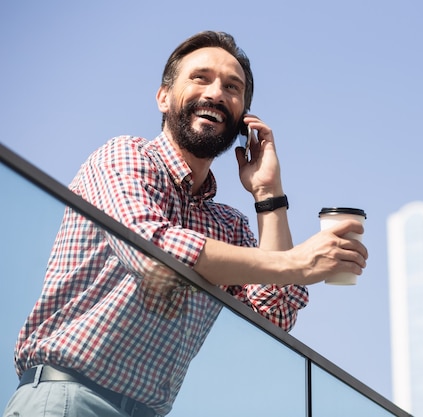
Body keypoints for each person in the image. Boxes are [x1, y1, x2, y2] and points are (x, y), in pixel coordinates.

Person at [3, 31, 368, 417]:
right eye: (200, 78)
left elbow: (273, 315)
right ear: (163, 97)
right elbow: (154, 252)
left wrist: (268, 194)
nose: (216, 93)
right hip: (68, 398)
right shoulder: (124, 156)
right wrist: (298, 262)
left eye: (232, 87)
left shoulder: (228, 226)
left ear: (242, 119)